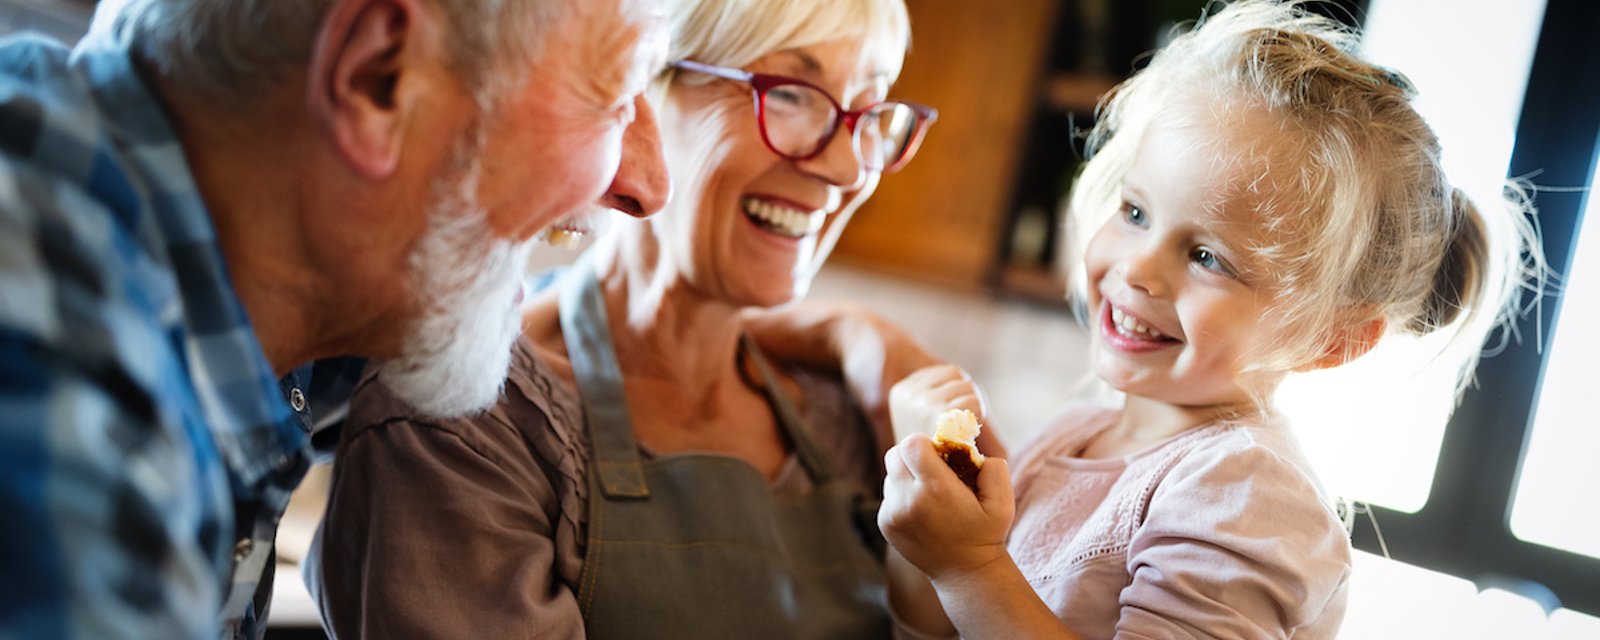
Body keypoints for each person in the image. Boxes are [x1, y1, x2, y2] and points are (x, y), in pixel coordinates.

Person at [0, 0, 671, 636]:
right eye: (612, 96)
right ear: (378, 78)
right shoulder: (57, 404)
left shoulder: (268, 284)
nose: (647, 185)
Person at [307, 0, 976, 637]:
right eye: (791, 95)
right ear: (639, 89)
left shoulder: (859, 421)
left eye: (870, 112)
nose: (844, 167)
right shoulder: (466, 416)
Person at [877, 1, 1540, 638]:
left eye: (1206, 257)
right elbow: (930, 630)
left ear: (1331, 340)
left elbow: (971, 587)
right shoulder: (1076, 434)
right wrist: (926, 526)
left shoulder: (1248, 495)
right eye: (1136, 212)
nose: (1136, 269)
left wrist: (970, 566)